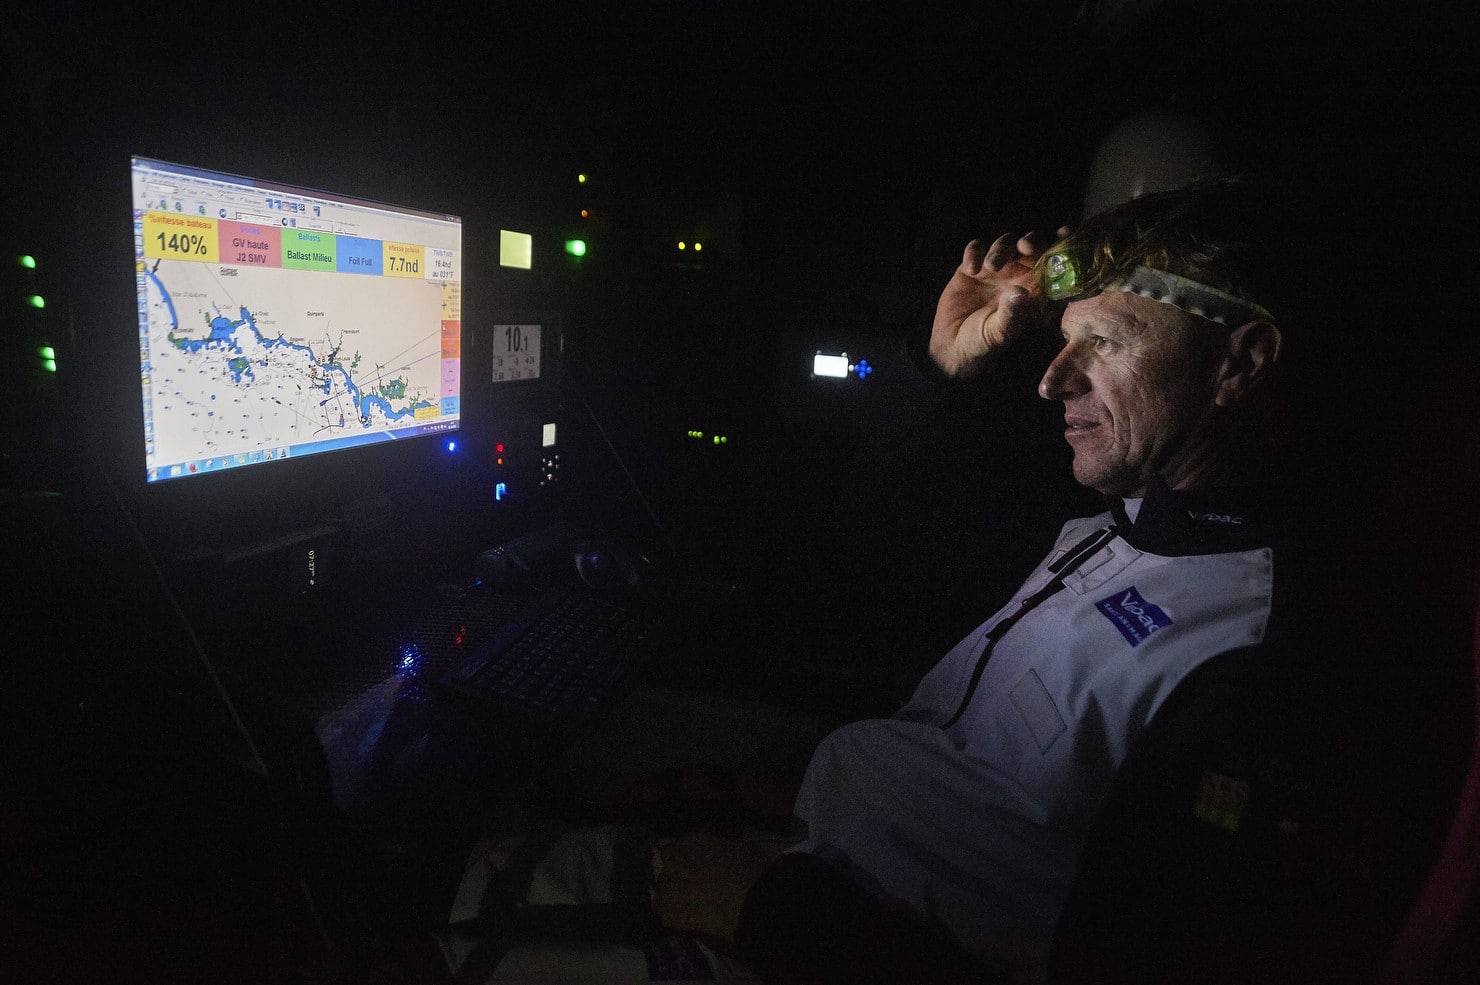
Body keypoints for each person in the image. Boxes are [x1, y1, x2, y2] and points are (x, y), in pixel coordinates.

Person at [441, 178, 1397, 984]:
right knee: (464, 856)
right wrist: (943, 370)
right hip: (813, 844)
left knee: (431, 931)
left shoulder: (1256, 656)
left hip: (820, 931)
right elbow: (867, 562)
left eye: (1105, 341)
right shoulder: (1125, 520)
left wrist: (761, 905)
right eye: (1062, 338)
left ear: (1241, 361)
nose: (1051, 377)